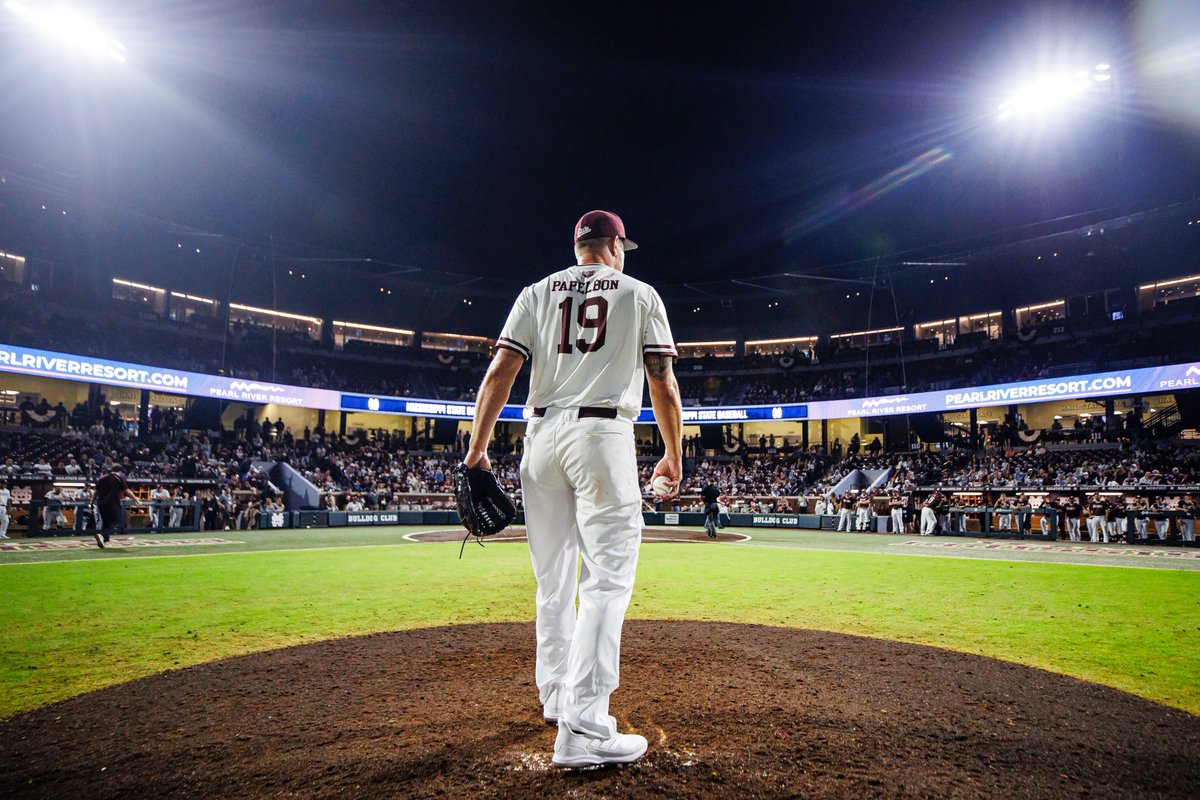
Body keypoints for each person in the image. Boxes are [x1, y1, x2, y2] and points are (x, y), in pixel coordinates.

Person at [463, 210, 681, 768]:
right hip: (602, 436)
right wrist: (673, 454)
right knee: (606, 581)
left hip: (539, 437)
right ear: (613, 245)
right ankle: (584, 726)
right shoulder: (639, 293)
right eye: (622, 245)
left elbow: (500, 373)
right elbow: (662, 379)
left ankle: (556, 696)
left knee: (553, 581)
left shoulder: (536, 292)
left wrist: (476, 452)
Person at [91, 465, 139, 548]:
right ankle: (102, 535)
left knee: (106, 522)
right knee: (115, 521)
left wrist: (91, 502)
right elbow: (126, 490)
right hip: (112, 504)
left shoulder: (101, 479)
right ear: (119, 471)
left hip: (101, 504)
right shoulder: (118, 478)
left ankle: (105, 541)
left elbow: (95, 492)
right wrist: (135, 498)